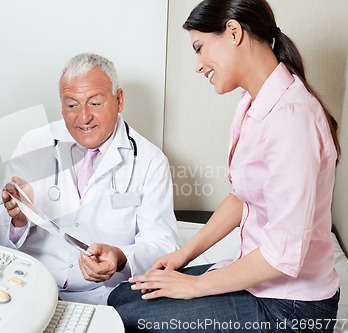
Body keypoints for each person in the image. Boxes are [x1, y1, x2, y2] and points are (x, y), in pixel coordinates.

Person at [108, 0, 341, 331]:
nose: (198, 65)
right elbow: (242, 197)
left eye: (200, 48)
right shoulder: (252, 102)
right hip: (260, 282)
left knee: (127, 318)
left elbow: (282, 255)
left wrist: (193, 287)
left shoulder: (291, 119)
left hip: (291, 307)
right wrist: (182, 257)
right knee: (123, 296)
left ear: (233, 32)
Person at [0, 53, 179, 305]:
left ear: (119, 100)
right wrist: (18, 220)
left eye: (95, 103)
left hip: (105, 296)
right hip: (29, 286)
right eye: (72, 105)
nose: (83, 117)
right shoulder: (34, 143)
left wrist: (120, 256)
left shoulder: (150, 161)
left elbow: (163, 245)